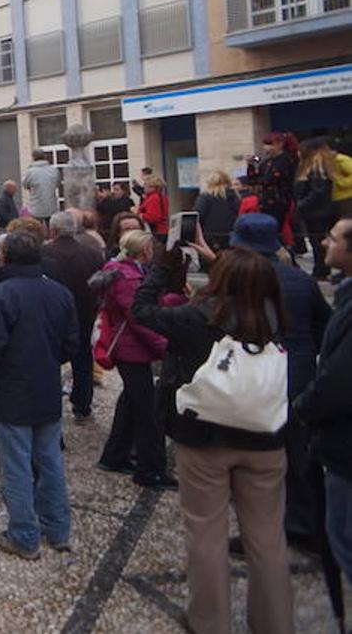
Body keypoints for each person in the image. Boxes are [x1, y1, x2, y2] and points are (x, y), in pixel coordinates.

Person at [130, 248, 295, 634]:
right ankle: (275, 623)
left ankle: (209, 621)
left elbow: (141, 309)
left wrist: (162, 267)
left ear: (220, 280)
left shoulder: (199, 316)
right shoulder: (274, 315)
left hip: (206, 436)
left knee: (205, 532)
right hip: (264, 434)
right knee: (268, 538)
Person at [0, 231, 78, 559]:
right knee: (50, 461)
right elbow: (71, 344)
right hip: (46, 388)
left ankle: (23, 535)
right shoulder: (59, 293)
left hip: (11, 391)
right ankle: (58, 529)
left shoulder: (0, 295)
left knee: (16, 465)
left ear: (5, 257)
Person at [229, 214, 331, 554]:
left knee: (259, 462)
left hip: (258, 378)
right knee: (297, 454)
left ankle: (259, 533)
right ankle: (305, 525)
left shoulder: (241, 282)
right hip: (298, 373)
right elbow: (324, 326)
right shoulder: (300, 279)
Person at [295, 216, 352, 578]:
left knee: (344, 538)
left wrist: (305, 407)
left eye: (332, 239)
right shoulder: (337, 293)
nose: (324, 244)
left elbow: (339, 381)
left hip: (344, 443)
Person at [95, 230, 175, 489]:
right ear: (145, 251)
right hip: (131, 349)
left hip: (131, 347)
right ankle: (150, 470)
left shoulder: (125, 271)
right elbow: (139, 318)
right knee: (147, 412)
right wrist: (165, 345)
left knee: (131, 403)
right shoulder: (127, 277)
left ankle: (114, 455)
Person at [42, 212, 104, 424]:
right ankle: (82, 406)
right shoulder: (93, 253)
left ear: (53, 230)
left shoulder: (44, 252)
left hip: (52, 315)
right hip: (84, 312)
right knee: (83, 360)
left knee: (50, 361)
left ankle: (51, 408)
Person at [296, 138, 338, 280]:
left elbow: (318, 192)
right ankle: (327, 270)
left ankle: (321, 271)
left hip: (317, 213)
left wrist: (301, 205)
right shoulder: (325, 165)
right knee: (325, 242)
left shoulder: (315, 167)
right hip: (327, 210)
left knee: (318, 243)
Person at [252, 131, 300, 233]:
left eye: (269, 144)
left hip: (279, 201)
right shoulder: (266, 162)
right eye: (265, 144)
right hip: (265, 201)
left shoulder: (285, 160)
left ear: (279, 144)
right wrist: (251, 166)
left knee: (276, 229)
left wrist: (260, 180)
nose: (266, 148)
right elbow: (254, 179)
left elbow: (270, 180)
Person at [194, 170, 240, 253]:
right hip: (231, 237)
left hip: (210, 238)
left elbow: (198, 217)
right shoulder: (235, 196)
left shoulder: (205, 197)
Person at [21, 150, 61, 224]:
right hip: (52, 208)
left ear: (33, 157)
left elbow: (25, 185)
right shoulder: (54, 170)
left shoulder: (30, 172)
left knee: (37, 232)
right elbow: (57, 184)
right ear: (45, 157)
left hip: (35, 209)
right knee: (52, 231)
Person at [138, 175, 169, 242]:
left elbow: (154, 217)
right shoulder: (161, 197)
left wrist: (140, 215)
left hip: (155, 232)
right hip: (162, 230)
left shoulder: (153, 198)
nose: (144, 187)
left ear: (154, 187)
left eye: (146, 185)